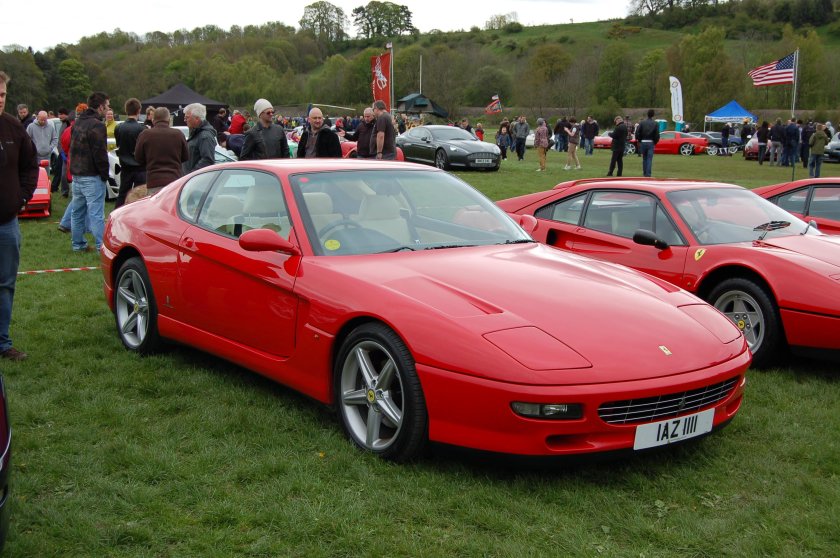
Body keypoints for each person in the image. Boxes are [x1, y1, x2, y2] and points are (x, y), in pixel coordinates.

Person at [0, 71, 39, 361]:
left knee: (5, 284)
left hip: (6, 223)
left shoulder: (14, 129)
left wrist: (22, 197)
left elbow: (31, 165)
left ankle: (2, 342)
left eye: (2, 95)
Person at [69, 91, 110, 253]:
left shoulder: (78, 122)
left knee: (77, 212)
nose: (108, 109)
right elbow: (100, 153)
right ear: (100, 107)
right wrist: (104, 174)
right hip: (92, 175)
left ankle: (77, 244)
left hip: (77, 173)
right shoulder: (97, 125)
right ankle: (102, 246)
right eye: (107, 106)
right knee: (96, 214)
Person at [135, 107, 189, 195]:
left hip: (154, 180)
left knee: (155, 208)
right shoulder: (178, 134)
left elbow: (138, 158)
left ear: (153, 120)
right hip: (174, 179)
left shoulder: (145, 134)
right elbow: (186, 156)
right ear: (168, 119)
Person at [113, 97, 147, 208]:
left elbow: (119, 144)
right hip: (140, 167)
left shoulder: (118, 128)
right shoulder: (142, 129)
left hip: (125, 166)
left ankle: (117, 214)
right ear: (139, 110)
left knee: (122, 194)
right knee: (140, 196)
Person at [183, 103, 216, 174]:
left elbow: (208, 160)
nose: (185, 120)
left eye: (187, 117)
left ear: (197, 118)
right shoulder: (196, 133)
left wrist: (191, 175)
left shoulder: (205, 136)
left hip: (195, 181)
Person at [636, 109, 660, 177]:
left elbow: (638, 132)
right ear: (653, 115)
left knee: (644, 159)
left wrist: (640, 140)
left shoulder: (642, 123)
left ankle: (644, 173)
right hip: (650, 142)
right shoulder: (655, 123)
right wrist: (655, 142)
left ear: (647, 114)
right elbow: (657, 135)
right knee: (649, 159)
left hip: (643, 142)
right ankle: (648, 174)